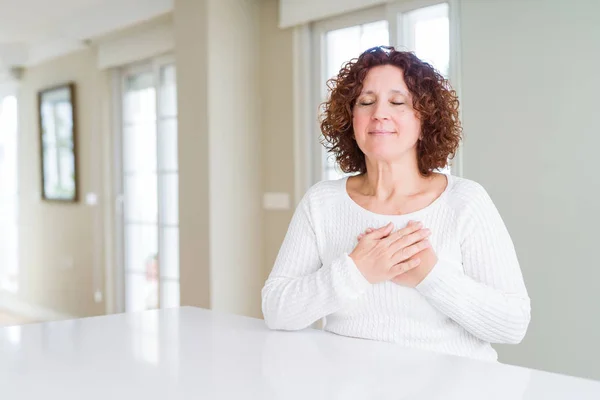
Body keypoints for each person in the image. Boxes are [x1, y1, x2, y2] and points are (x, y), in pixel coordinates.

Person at [261, 46, 531, 362]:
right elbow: (277, 310)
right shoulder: (322, 202)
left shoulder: (465, 201)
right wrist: (356, 270)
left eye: (397, 102)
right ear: (351, 119)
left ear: (425, 119)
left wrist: (430, 276)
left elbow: (513, 325)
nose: (379, 113)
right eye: (366, 102)